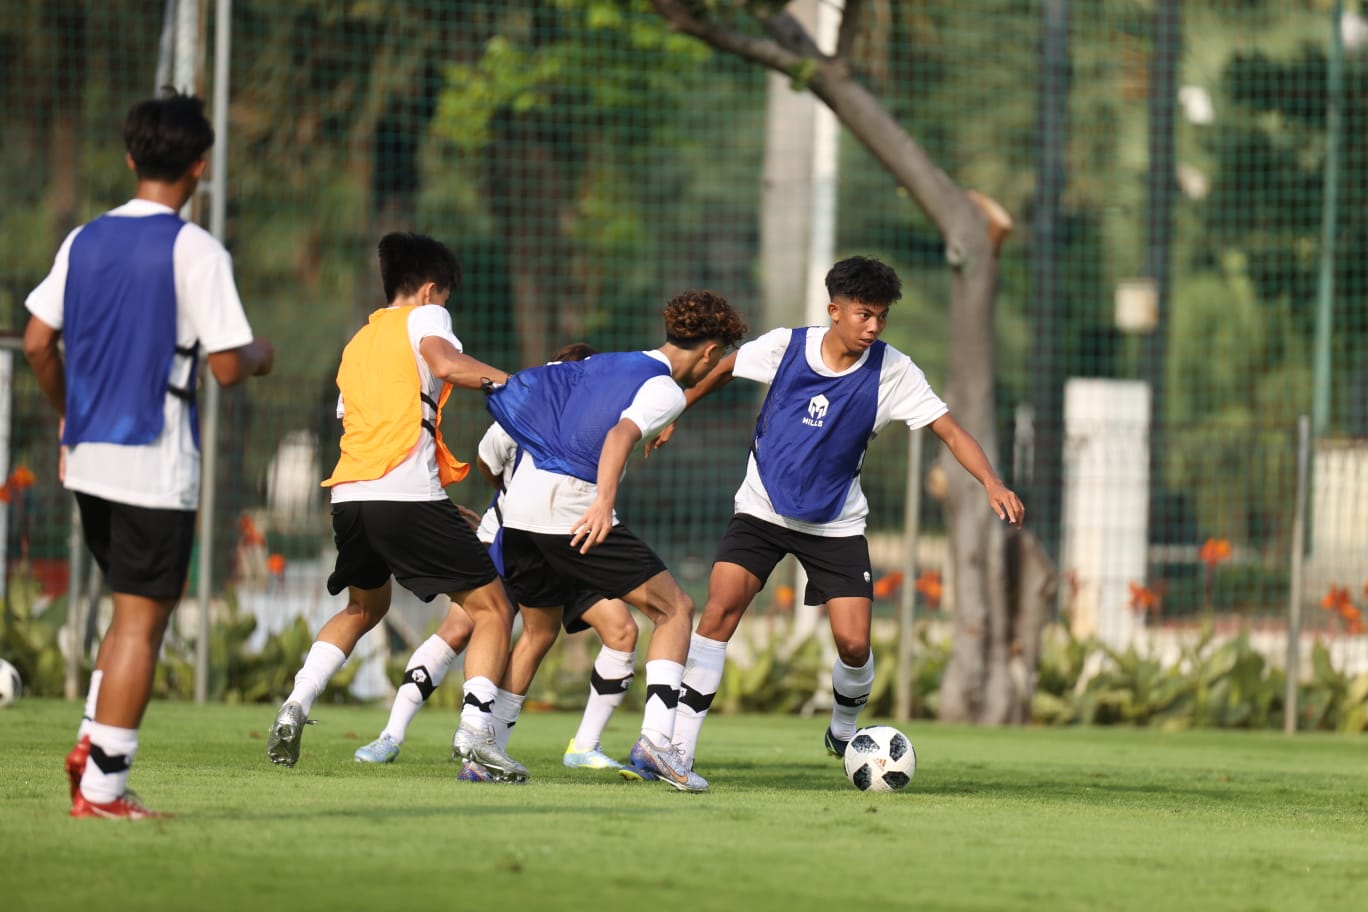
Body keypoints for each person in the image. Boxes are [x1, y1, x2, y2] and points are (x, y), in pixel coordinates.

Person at [660, 255, 1024, 774]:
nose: (874, 326)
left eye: (881, 317)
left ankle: (844, 726)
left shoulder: (894, 370)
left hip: (835, 523)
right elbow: (722, 366)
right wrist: (675, 412)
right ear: (835, 310)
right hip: (761, 510)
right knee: (718, 613)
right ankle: (678, 749)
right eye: (863, 315)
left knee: (854, 645)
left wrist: (991, 481)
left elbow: (949, 429)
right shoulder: (786, 346)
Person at [23, 91, 276, 819]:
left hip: (88, 456)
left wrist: (70, 409)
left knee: (125, 611)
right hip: (153, 458)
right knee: (143, 620)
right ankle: (103, 789)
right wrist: (262, 354)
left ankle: (90, 747)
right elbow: (228, 366)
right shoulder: (194, 249)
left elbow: (38, 341)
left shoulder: (83, 239)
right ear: (201, 165)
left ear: (131, 157)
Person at [265, 232, 527, 783]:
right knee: (494, 609)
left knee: (364, 607)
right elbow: (447, 363)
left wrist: (439, 503)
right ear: (431, 290)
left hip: (351, 498)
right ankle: (476, 735)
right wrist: (516, 385)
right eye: (446, 297)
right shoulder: (426, 319)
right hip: (402, 495)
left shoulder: (359, 342)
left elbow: (374, 427)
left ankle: (295, 703)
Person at [485, 290, 748, 791]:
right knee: (675, 609)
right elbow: (619, 435)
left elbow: (557, 397)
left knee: (537, 632)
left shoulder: (609, 362)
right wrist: (604, 500)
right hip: (574, 509)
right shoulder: (665, 388)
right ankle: (656, 741)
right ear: (710, 352)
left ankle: (486, 748)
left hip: (518, 511)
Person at [353, 343, 642, 772]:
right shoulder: (532, 404)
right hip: (510, 536)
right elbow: (489, 461)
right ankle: (390, 734)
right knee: (460, 627)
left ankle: (558, 747)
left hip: (574, 538)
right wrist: (509, 498)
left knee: (610, 630)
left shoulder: (608, 413)